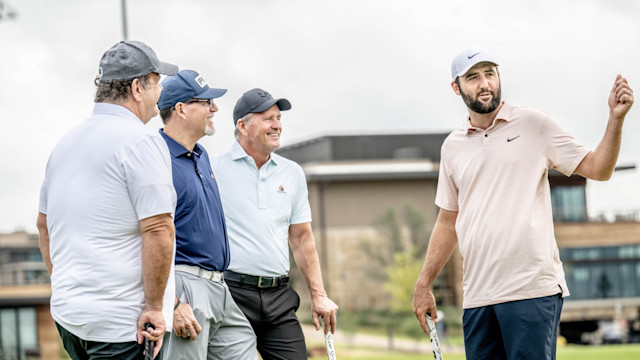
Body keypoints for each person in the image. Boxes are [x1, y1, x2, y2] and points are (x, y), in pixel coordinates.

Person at [412, 47, 634, 360]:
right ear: (456, 87)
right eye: (473, 77)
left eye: (490, 73)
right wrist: (424, 284)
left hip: (531, 291)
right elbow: (448, 222)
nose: (484, 83)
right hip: (477, 298)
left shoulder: (534, 124)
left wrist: (615, 120)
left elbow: (599, 169)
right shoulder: (452, 148)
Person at [36, 40, 178, 359]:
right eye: (156, 82)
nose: (160, 94)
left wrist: (65, 284)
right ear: (137, 88)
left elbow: (43, 225)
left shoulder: (64, 144)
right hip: (121, 327)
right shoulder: (141, 142)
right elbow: (158, 229)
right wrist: (155, 307)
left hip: (70, 318)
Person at [210, 88, 339, 359]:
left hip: (279, 297)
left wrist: (319, 295)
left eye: (278, 118)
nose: (277, 125)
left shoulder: (292, 173)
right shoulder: (213, 169)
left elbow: (302, 239)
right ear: (243, 126)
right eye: (268, 118)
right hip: (231, 295)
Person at [155, 70, 258, 360]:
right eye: (206, 102)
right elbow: (146, 239)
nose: (214, 108)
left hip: (218, 286)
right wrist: (172, 303)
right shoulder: (155, 159)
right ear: (181, 109)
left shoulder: (201, 154)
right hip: (184, 287)